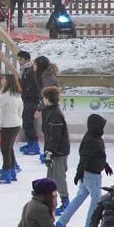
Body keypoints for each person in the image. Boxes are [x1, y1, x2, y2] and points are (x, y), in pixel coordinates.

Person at [56, 114, 113, 227]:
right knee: (96, 202)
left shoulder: (93, 136)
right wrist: (78, 173)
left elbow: (97, 155)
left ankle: (61, 222)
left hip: (87, 174)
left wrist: (105, 164)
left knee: (79, 198)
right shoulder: (92, 140)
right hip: (91, 175)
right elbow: (85, 157)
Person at [42, 86, 70, 215]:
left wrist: (50, 151)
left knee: (58, 177)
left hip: (59, 151)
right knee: (50, 177)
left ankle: (65, 202)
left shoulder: (55, 114)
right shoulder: (49, 111)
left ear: (48, 98)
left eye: (44, 97)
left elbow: (55, 136)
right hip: (53, 150)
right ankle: (50, 201)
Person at [0, 74, 24, 184]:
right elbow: (20, 110)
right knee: (9, 148)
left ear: (8, 81)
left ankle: (7, 172)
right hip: (16, 124)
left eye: (4, 79)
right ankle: (11, 170)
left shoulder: (6, 94)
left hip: (8, 125)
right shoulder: (16, 94)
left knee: (5, 149)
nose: (2, 80)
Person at [18, 51, 41, 156]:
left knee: (28, 122)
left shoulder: (31, 70)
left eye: (20, 59)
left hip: (32, 99)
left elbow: (34, 84)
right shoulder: (24, 70)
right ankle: (30, 143)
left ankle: (34, 145)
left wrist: (28, 91)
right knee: (26, 122)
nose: (19, 61)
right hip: (26, 98)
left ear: (26, 59)